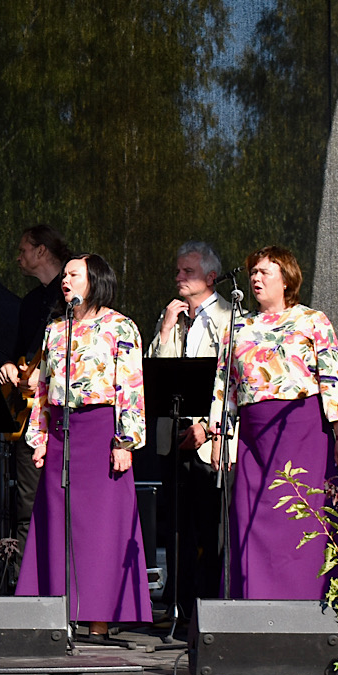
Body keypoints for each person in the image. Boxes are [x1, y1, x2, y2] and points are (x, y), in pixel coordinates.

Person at [15, 254, 151, 638]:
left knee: (101, 526)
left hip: (100, 431)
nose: (65, 280)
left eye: (74, 274)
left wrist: (125, 441)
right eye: (64, 275)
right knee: (58, 523)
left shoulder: (120, 326)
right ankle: (58, 611)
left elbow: (131, 387)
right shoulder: (56, 329)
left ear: (95, 279)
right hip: (62, 432)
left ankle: (98, 619)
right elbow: (43, 389)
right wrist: (40, 437)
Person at [211, 245, 338, 600]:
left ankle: (307, 598)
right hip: (253, 435)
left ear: (286, 279)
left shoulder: (312, 320)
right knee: (252, 517)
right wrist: (220, 434)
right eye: (253, 272)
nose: (256, 278)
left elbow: (332, 378)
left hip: (301, 429)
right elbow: (225, 384)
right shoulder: (237, 326)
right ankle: (255, 602)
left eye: (264, 272)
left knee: (301, 515)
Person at [146, 241, 232, 617]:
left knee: (209, 522)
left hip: (208, 437)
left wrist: (208, 429)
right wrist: (166, 330)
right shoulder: (173, 316)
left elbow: (230, 381)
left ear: (210, 277)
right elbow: (156, 373)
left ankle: (209, 604)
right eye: (178, 271)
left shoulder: (229, 318)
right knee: (176, 522)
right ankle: (177, 601)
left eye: (188, 271)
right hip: (173, 431)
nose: (179, 277)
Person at [0, 225, 72, 560]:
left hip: (66, 415)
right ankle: (24, 578)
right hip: (31, 417)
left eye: (23, 249)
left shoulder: (71, 300)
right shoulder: (30, 302)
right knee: (27, 501)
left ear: (42, 250)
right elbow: (19, 351)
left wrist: (47, 375)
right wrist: (10, 366)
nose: (18, 257)